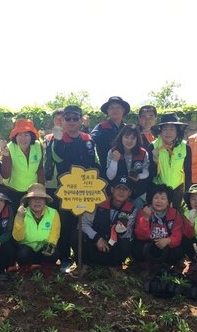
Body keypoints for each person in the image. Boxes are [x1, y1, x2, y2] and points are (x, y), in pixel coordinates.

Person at [51, 105, 99, 271]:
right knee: (65, 225)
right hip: (66, 190)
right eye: (68, 118)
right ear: (62, 120)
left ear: (80, 120)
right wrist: (56, 141)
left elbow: (95, 163)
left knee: (82, 224)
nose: (71, 121)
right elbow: (55, 159)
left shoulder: (88, 139)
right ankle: (64, 258)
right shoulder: (57, 139)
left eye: (75, 118)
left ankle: (81, 259)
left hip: (86, 190)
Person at [81, 176, 137, 276]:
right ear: (112, 189)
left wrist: (121, 231)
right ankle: (85, 265)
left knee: (127, 241)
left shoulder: (132, 209)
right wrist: (97, 238)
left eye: (125, 189)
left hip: (114, 248)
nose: (121, 192)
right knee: (76, 234)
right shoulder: (98, 202)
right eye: (119, 188)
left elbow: (129, 233)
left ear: (129, 193)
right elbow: (83, 224)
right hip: (95, 244)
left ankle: (115, 267)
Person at [132, 184, 185, 273]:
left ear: (168, 202)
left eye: (163, 198)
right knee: (136, 247)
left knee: (179, 250)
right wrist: (145, 219)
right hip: (148, 245)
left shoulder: (174, 214)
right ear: (151, 199)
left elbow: (178, 235)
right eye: (156, 198)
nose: (159, 201)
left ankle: (164, 266)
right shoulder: (144, 211)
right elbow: (141, 236)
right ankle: (145, 266)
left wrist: (168, 240)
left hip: (166, 246)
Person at [12, 183, 61, 279]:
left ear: (45, 201)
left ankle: (46, 269)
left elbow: (55, 234)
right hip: (27, 250)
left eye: (41, 198)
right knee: (22, 253)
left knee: (53, 251)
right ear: (28, 201)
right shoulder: (22, 213)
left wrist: (48, 249)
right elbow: (18, 237)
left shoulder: (53, 213)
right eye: (33, 198)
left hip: (44, 250)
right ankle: (25, 270)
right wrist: (20, 218)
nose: (37, 201)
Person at [150, 113, 191, 210]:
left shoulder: (185, 147)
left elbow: (188, 171)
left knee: (176, 218)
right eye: (165, 129)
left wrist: (188, 193)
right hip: (158, 190)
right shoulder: (153, 146)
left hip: (178, 189)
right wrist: (155, 160)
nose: (168, 132)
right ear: (160, 131)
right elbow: (150, 173)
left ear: (177, 130)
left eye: (172, 129)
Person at [105, 124, 151, 210]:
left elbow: (146, 171)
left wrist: (139, 176)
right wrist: (114, 161)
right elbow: (110, 176)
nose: (129, 141)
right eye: (126, 137)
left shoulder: (143, 153)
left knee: (135, 215)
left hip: (137, 192)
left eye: (133, 138)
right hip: (118, 193)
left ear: (137, 139)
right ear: (121, 137)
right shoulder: (113, 151)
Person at [0, 118, 45, 206]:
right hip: (12, 191)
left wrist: (41, 190)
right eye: (19, 135)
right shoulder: (9, 148)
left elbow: (40, 168)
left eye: (26, 135)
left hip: (32, 192)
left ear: (31, 136)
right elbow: (5, 175)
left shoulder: (38, 146)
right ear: (15, 136)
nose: (23, 138)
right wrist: (5, 155)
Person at [92, 96, 130, 177]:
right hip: (104, 170)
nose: (115, 110)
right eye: (112, 107)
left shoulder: (127, 129)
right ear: (108, 111)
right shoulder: (100, 127)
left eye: (118, 107)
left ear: (123, 110)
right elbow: (90, 141)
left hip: (125, 171)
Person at [43, 108, 66, 202]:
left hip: (68, 183)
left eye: (62, 118)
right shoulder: (47, 138)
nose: (59, 121)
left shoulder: (73, 137)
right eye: (56, 118)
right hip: (50, 183)